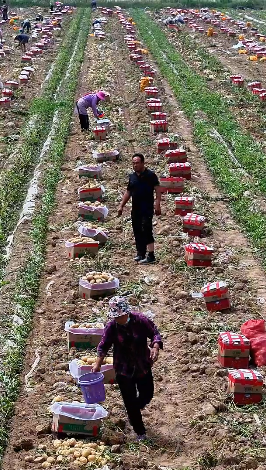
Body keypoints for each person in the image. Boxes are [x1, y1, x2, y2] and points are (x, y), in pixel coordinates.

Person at [94, 296, 163, 441]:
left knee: (147, 394)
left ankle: (133, 409)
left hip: (142, 365)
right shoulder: (112, 327)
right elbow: (103, 345)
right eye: (116, 317)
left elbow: (155, 333)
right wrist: (98, 363)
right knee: (129, 400)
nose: (118, 319)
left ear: (127, 313)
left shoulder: (140, 320)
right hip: (123, 369)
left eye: (120, 316)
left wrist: (155, 347)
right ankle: (140, 431)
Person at [117, 153, 161, 264]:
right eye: (133, 163)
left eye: (137, 163)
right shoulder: (132, 177)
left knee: (147, 229)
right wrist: (121, 205)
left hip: (147, 208)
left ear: (142, 163)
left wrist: (157, 203)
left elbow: (158, 189)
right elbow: (129, 192)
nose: (135, 165)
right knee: (137, 230)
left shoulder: (151, 175)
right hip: (135, 208)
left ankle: (151, 255)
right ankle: (140, 253)